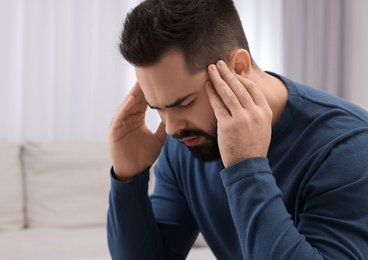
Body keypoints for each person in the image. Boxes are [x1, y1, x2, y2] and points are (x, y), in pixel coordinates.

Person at [107, 0, 368, 259]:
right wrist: (128, 178)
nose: (172, 127)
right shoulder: (188, 142)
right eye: (158, 109)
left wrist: (246, 166)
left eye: (185, 103)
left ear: (238, 68)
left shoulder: (349, 148)